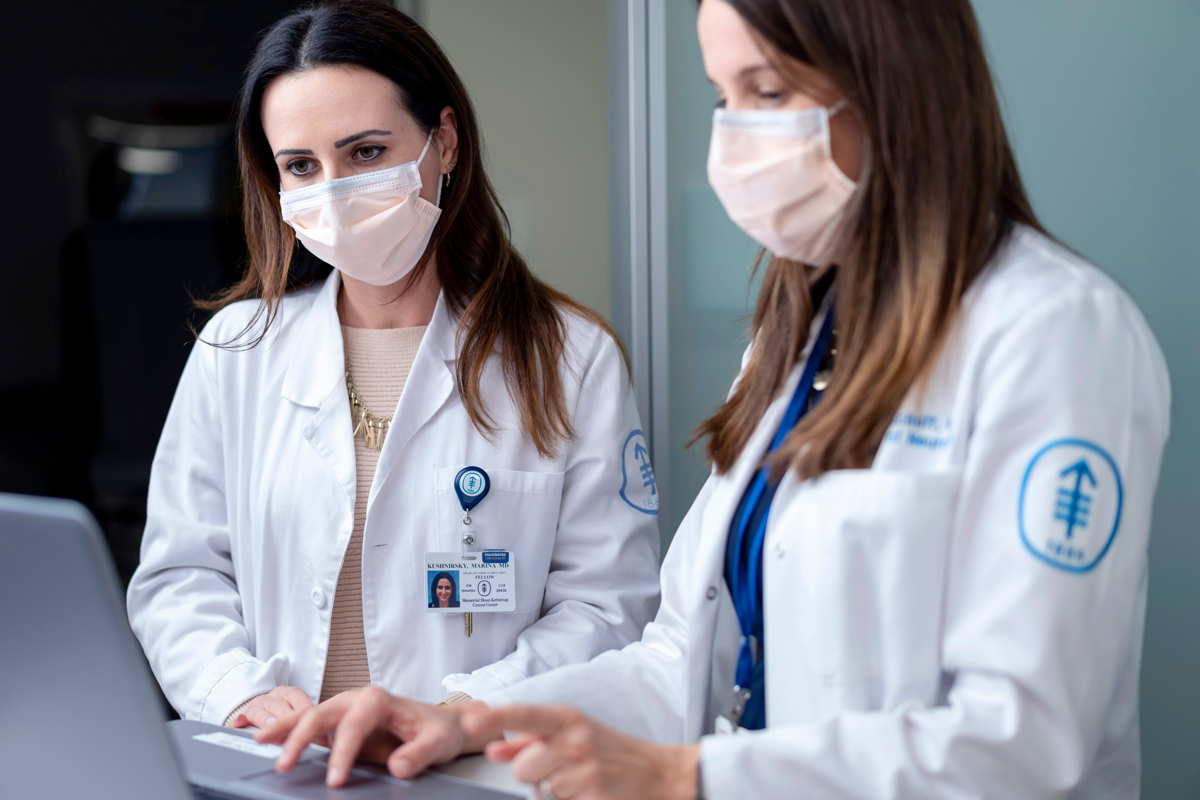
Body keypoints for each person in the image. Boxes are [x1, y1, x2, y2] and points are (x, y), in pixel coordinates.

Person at [256, 0, 1171, 797]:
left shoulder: (1053, 331)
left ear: (893, 87)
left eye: (768, 93)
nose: (735, 135)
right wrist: (459, 717)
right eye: (724, 96)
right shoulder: (797, 343)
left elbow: (1020, 744)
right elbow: (678, 663)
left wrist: (684, 778)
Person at [125, 0, 661, 731]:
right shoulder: (236, 352)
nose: (336, 192)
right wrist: (233, 691)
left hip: (474, 765)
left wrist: (465, 711)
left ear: (444, 141)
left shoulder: (569, 358)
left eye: (367, 153)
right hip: (281, 762)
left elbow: (609, 605)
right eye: (302, 166)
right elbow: (180, 575)